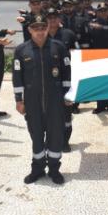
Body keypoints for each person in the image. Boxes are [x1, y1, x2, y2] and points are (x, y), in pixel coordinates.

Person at [13, 15, 72, 185]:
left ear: (47, 28)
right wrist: (19, 100)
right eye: (35, 28)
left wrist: (68, 95)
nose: (39, 31)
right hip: (32, 102)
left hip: (55, 102)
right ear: (29, 30)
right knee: (36, 136)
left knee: (56, 136)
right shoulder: (21, 50)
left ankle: (54, 169)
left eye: (42, 27)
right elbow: (17, 77)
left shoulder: (59, 47)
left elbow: (67, 74)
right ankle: (37, 169)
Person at [46, 8, 78, 151]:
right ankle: (50, 140)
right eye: (49, 17)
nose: (52, 19)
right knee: (48, 112)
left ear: (60, 19)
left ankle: (65, 141)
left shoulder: (68, 34)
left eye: (55, 17)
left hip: (66, 77)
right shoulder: (41, 35)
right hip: (47, 79)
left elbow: (78, 53)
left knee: (65, 112)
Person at [88, 3, 108, 114]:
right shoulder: (91, 23)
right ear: (97, 12)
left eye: (105, 10)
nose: (103, 12)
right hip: (97, 57)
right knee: (99, 82)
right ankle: (100, 106)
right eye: (100, 10)